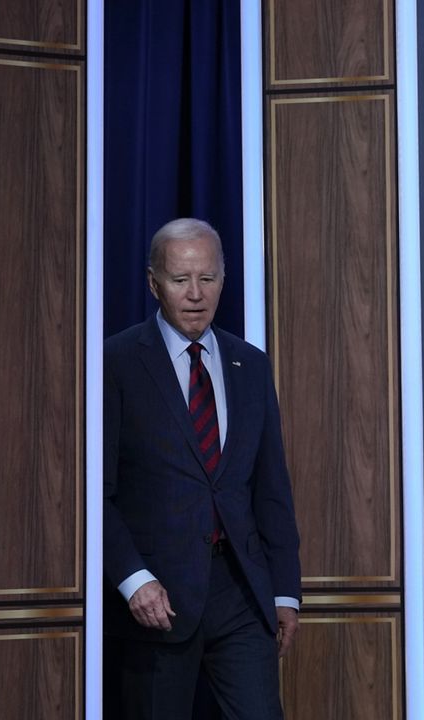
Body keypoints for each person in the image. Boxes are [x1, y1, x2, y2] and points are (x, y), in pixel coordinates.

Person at [103, 218, 302, 719]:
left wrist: (284, 592)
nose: (196, 294)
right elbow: (95, 493)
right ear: (154, 284)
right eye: (180, 280)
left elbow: (271, 490)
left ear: (223, 279)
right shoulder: (116, 363)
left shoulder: (250, 365)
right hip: (156, 599)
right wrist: (133, 579)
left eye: (207, 279)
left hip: (240, 592)